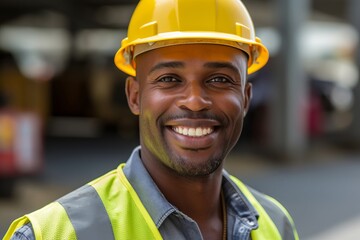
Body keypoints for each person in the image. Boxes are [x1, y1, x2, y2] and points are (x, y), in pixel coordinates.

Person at [4, 0, 299, 239]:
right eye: (169, 78)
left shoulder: (277, 224)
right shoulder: (54, 233)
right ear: (135, 96)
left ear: (245, 98)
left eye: (220, 79)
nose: (195, 101)